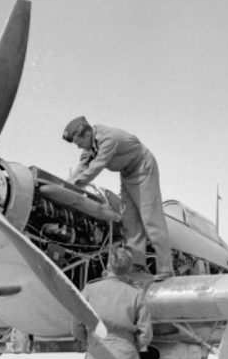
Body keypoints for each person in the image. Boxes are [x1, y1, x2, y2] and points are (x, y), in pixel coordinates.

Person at [63, 116, 173, 280]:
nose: (79, 147)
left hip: (143, 169)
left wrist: (73, 185)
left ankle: (166, 269)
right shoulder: (89, 145)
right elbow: (82, 166)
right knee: (130, 221)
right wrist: (66, 185)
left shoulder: (108, 139)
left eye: (78, 143)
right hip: (127, 174)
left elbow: (95, 167)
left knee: (151, 219)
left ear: (86, 135)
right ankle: (137, 267)